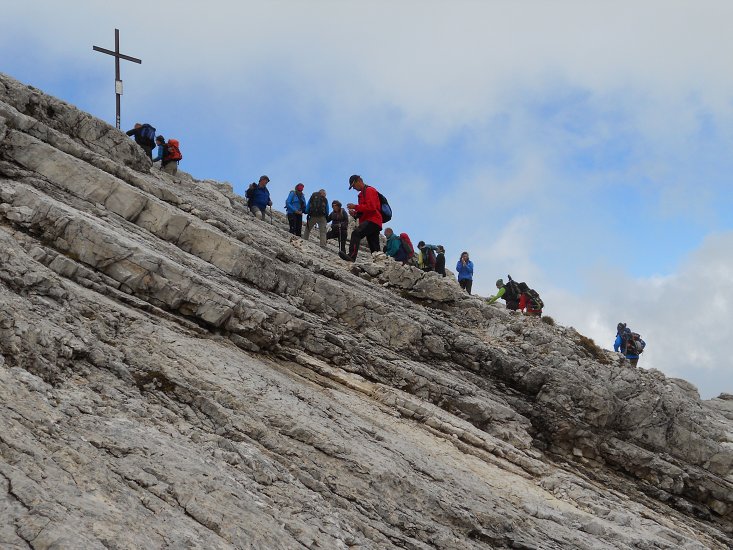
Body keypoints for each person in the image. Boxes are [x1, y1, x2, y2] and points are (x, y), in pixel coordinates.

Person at [339, 175, 382, 262]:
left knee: (356, 233)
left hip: (373, 220)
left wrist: (355, 206)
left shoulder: (369, 190)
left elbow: (372, 207)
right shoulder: (363, 193)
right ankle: (380, 264)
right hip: (374, 221)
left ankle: (351, 256)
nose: (354, 188)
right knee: (374, 247)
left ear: (359, 181)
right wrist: (355, 214)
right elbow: (363, 212)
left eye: (354, 185)